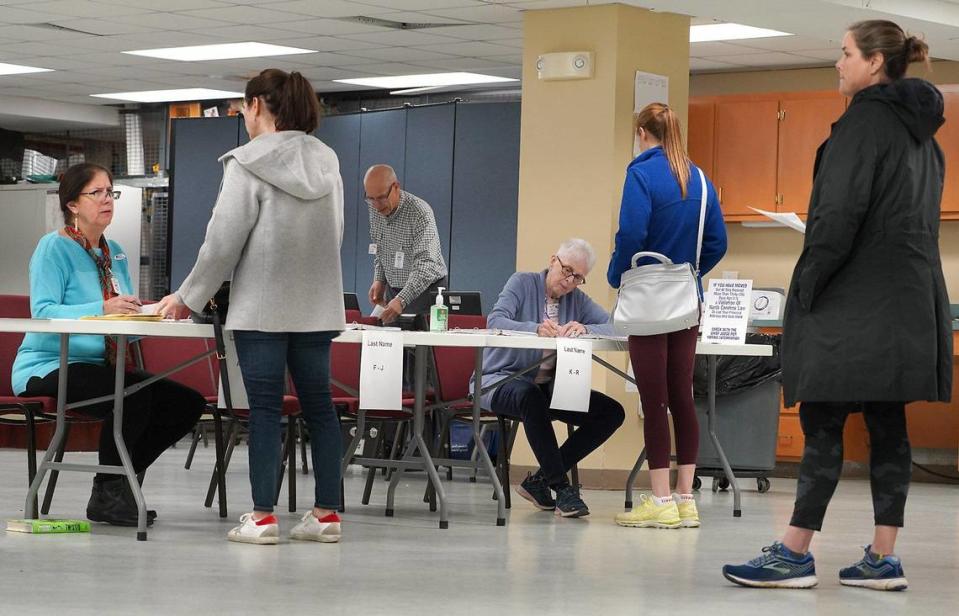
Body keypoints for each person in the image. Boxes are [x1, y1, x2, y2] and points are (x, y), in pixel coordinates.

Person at [723, 21, 952, 590]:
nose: (838, 63)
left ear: (876, 63)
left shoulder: (863, 124)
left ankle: (795, 553)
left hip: (852, 301)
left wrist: (806, 285)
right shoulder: (926, 136)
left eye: (846, 54)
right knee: (887, 422)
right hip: (906, 302)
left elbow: (838, 217)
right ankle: (882, 558)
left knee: (822, 420)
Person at [157, 69, 347, 545]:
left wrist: (187, 298)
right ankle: (326, 516)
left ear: (259, 105)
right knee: (320, 408)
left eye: (243, 106)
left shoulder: (245, 162)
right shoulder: (327, 160)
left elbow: (222, 241)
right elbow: (335, 235)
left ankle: (262, 518)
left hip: (262, 308)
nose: (242, 115)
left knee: (264, 410)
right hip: (317, 307)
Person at [12, 163, 205, 527]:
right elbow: (44, 311)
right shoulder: (53, 248)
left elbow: (122, 317)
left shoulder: (113, 250)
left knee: (185, 403)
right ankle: (109, 491)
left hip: (99, 365)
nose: (107, 200)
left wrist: (156, 314)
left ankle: (117, 482)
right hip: (47, 364)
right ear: (72, 204)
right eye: (96, 193)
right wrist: (102, 308)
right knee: (131, 394)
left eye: (110, 192)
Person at [607, 103, 727, 530]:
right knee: (682, 396)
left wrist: (617, 272)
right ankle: (684, 498)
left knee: (653, 399)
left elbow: (631, 234)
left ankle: (658, 499)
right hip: (686, 301)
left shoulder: (640, 174)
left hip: (648, 300)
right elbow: (717, 241)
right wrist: (687, 274)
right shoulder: (700, 179)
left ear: (642, 132)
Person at [473, 239, 625, 518]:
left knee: (611, 413)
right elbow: (496, 321)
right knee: (531, 398)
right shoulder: (522, 282)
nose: (569, 281)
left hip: (545, 388)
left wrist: (585, 327)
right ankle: (561, 487)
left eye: (578, 277)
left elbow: (614, 327)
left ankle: (539, 481)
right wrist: (535, 329)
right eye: (566, 270)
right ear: (553, 260)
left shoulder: (577, 300)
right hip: (498, 380)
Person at [364, 164, 447, 326]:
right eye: (370, 198)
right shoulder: (375, 208)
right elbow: (380, 247)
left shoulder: (420, 212)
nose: (376, 205)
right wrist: (379, 279)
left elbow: (426, 265)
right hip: (393, 290)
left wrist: (402, 299)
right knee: (387, 345)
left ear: (396, 187)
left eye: (381, 198)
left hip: (425, 290)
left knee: (421, 349)